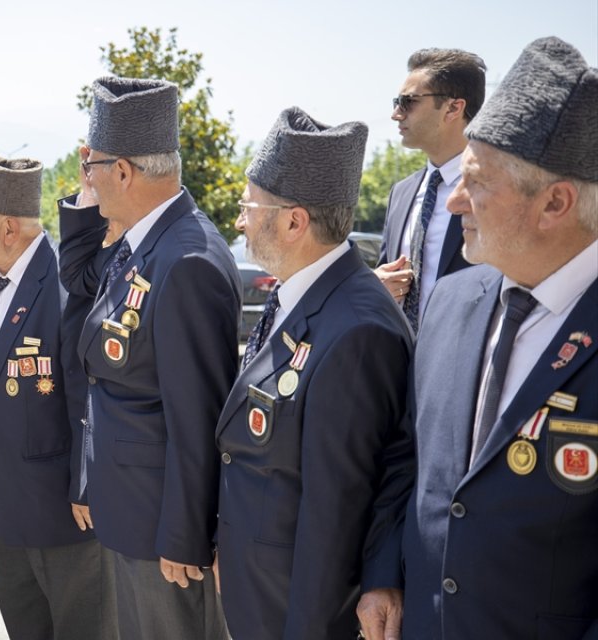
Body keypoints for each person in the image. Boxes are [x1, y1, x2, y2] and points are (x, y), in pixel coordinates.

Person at [395, 37, 598, 640]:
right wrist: (385, 574)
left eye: (476, 182)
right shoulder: (453, 302)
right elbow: (410, 456)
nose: (454, 199)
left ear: (554, 203)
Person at [215, 108, 413, 639]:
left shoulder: (356, 329)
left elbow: (335, 515)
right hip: (260, 590)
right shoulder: (303, 295)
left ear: (294, 221)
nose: (239, 221)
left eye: (247, 207)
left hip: (293, 610)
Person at [58, 76, 239, 639]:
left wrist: (185, 533)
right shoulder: (145, 241)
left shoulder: (186, 260)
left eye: (92, 167)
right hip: (132, 512)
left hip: (162, 531)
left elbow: (199, 416)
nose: (85, 178)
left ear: (124, 172)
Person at [0, 152, 118, 640]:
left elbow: (86, 398)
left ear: (9, 229)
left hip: (60, 521)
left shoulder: (65, 288)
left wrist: (84, 486)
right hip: (3, 517)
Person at [376, 49, 486, 329]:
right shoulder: (401, 193)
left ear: (453, 108)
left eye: (408, 102)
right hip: (396, 362)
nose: (395, 114)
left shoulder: (497, 190)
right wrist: (375, 286)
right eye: (396, 102)